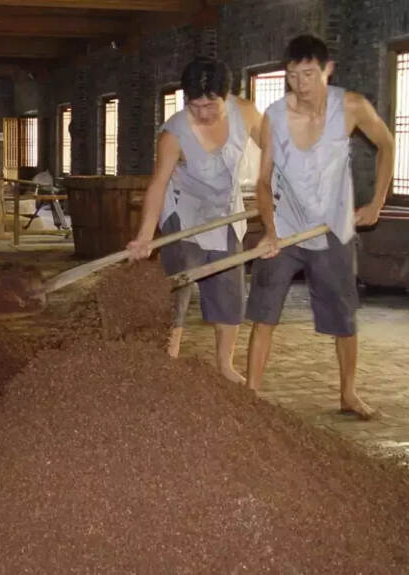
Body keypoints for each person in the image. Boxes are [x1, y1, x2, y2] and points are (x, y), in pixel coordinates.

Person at [245, 34, 394, 419]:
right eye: (292, 76)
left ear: (327, 69)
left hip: (333, 228)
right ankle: (250, 395)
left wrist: (377, 201)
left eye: (309, 74)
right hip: (287, 226)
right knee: (264, 312)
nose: (301, 84)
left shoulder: (351, 107)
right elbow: (264, 180)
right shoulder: (275, 117)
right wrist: (270, 229)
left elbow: (387, 145)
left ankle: (348, 393)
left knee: (343, 318)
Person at [127, 57, 262, 383]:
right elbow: (158, 184)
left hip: (225, 211)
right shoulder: (174, 134)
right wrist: (146, 235)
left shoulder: (246, 113)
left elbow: (275, 154)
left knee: (230, 288)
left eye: (210, 105)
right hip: (184, 212)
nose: (203, 113)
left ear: (226, 96)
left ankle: (225, 364)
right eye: (195, 105)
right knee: (179, 284)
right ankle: (168, 360)